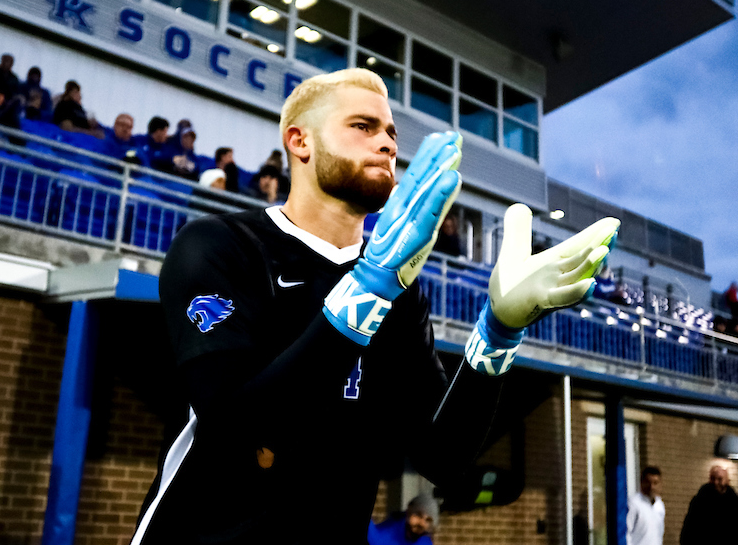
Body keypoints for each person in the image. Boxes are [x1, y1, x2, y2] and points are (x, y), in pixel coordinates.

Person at [129, 68, 618, 544]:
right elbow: (239, 428)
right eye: (362, 127)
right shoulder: (219, 244)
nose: (386, 143)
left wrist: (497, 335)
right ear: (300, 142)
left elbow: (441, 457)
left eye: (390, 132)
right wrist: (369, 288)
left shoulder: (398, 287)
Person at [680, 463, 738, 544]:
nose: (716, 482)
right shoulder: (700, 500)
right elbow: (689, 528)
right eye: (713, 478)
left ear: (727, 480)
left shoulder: (733, 502)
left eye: (720, 479)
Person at [367, 495, 438, 545]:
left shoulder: (425, 542)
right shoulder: (381, 536)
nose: (422, 523)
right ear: (409, 510)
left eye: (428, 520)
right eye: (418, 515)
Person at [627, 465, 664, 545]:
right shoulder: (633, 504)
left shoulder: (659, 505)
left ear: (660, 484)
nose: (652, 487)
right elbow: (626, 533)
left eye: (655, 483)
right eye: (648, 482)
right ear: (641, 483)